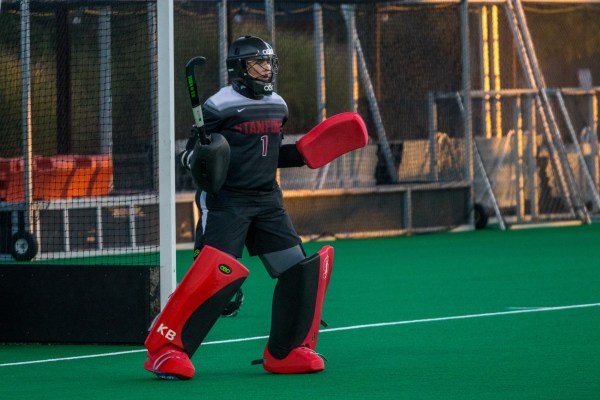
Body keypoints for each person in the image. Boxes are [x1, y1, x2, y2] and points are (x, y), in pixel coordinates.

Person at [143, 35, 342, 381]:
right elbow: (189, 156)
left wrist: (307, 153)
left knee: (299, 272)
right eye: (257, 63)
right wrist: (200, 157)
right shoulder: (218, 106)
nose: (266, 69)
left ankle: (286, 351)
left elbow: (271, 152)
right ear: (239, 69)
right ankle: (167, 350)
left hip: (267, 201)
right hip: (227, 202)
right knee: (214, 280)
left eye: (268, 62)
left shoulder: (278, 105)